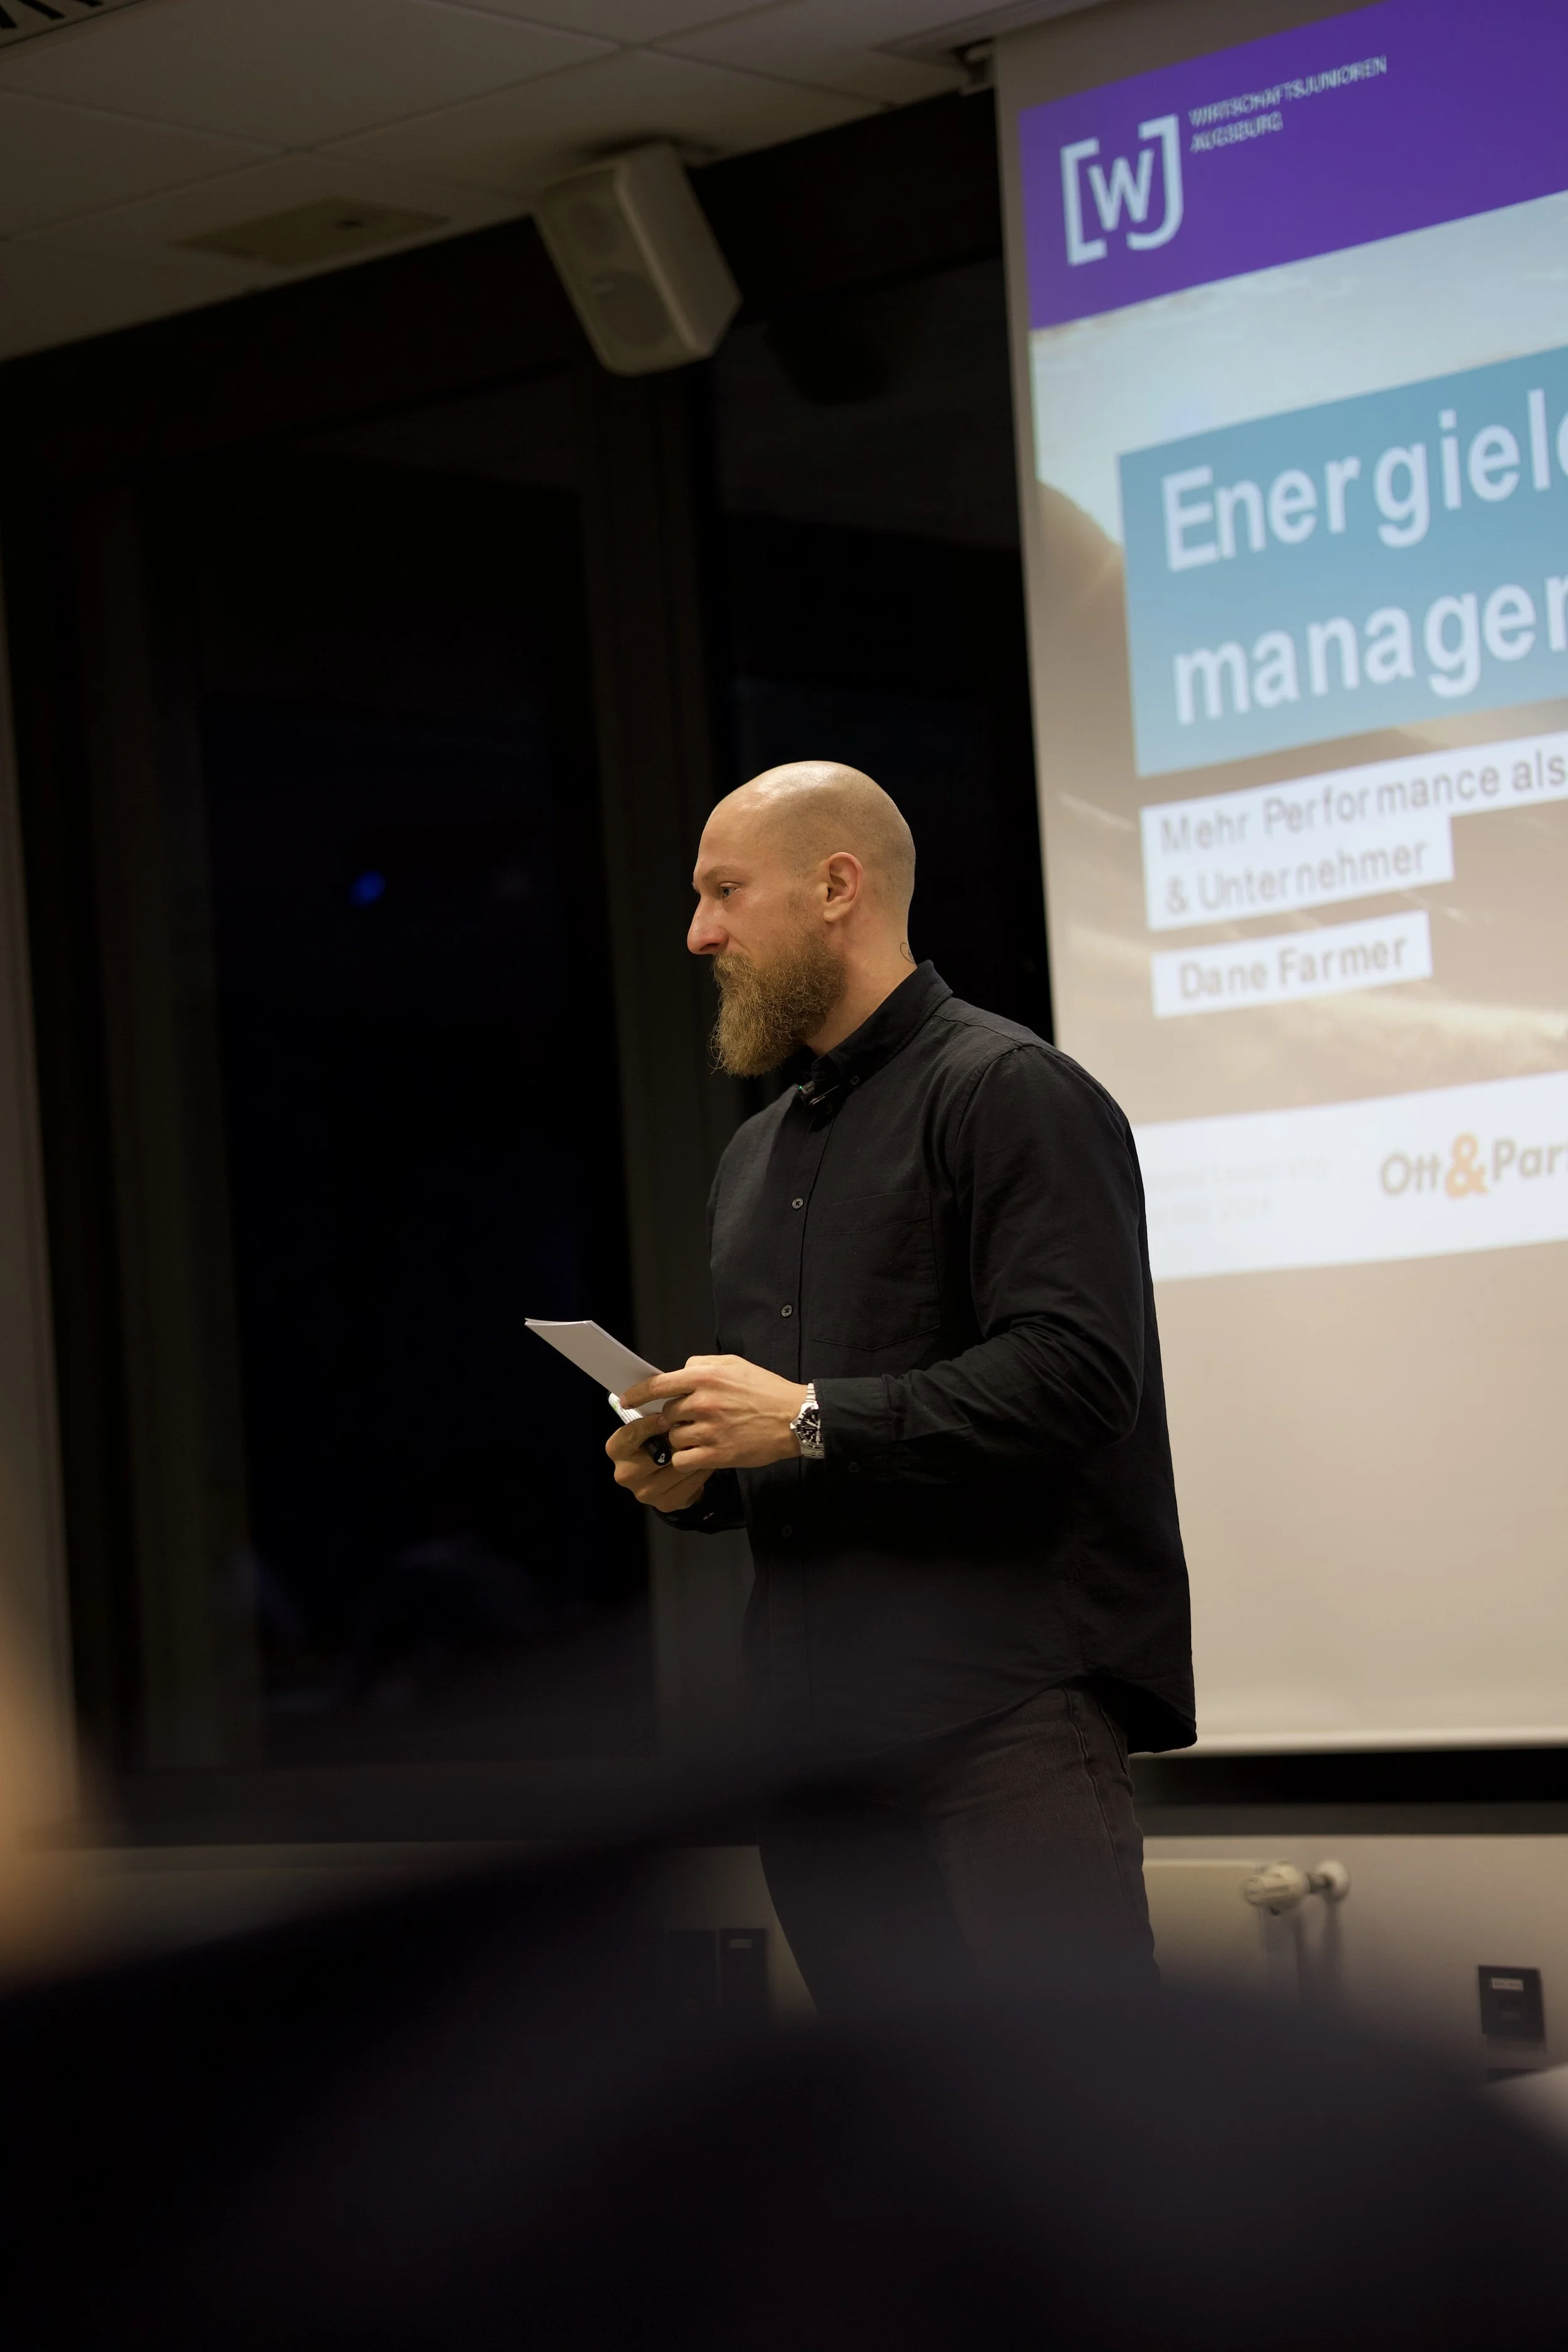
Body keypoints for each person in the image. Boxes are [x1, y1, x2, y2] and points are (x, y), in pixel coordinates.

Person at [607, 761, 1194, 2013]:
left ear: (836, 887)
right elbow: (798, 1433)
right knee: (894, 2151)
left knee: (1075, 2118)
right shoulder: (754, 1156)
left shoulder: (1009, 1092)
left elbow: (1079, 1376)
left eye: (723, 892)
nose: (698, 932)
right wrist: (698, 1469)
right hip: (815, 1737)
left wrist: (806, 1417)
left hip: (1001, 1715)